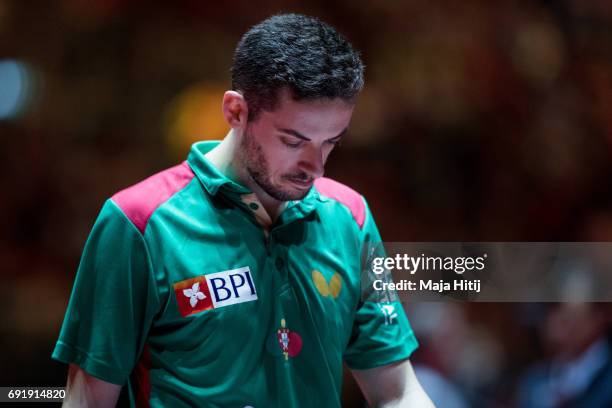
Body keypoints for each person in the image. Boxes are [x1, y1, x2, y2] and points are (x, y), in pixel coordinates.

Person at [52, 13, 433, 407]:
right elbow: (87, 400)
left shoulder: (350, 217)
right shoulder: (138, 223)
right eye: (293, 140)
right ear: (236, 112)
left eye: (330, 142)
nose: (315, 166)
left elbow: (397, 392)